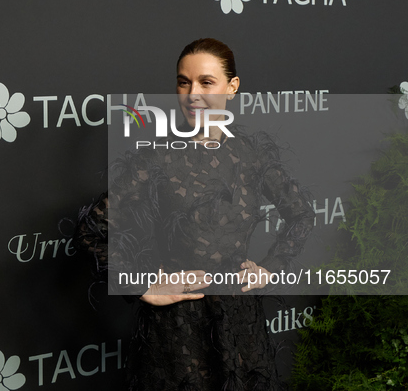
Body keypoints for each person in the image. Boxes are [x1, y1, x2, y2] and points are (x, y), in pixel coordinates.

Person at [74, 38, 315, 391]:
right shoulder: (158, 158)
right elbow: (91, 229)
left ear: (232, 87)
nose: (192, 94)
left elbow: (302, 215)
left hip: (240, 325)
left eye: (206, 82)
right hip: (176, 331)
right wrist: (141, 285)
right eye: (183, 82)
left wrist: (270, 266)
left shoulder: (251, 157)